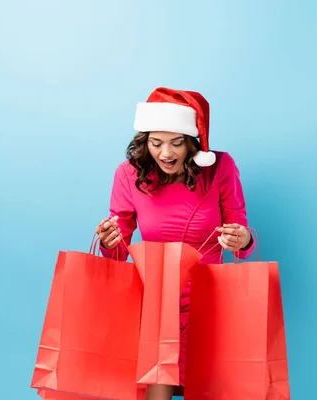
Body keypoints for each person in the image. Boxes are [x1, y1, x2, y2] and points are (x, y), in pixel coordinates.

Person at [95, 86, 256, 400]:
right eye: (156, 143)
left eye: (176, 143)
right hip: (156, 308)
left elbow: (241, 241)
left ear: (193, 143)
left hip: (210, 306)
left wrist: (243, 239)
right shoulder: (128, 175)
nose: (165, 153)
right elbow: (117, 254)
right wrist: (109, 240)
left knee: (216, 388)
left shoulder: (220, 169)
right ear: (145, 142)